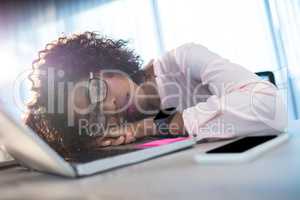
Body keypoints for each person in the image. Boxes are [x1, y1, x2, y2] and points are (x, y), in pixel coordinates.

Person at [24, 32, 286, 157]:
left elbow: (270, 107)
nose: (109, 105)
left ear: (103, 64)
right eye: (95, 115)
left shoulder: (185, 59)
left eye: (96, 90)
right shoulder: (121, 131)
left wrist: (150, 127)